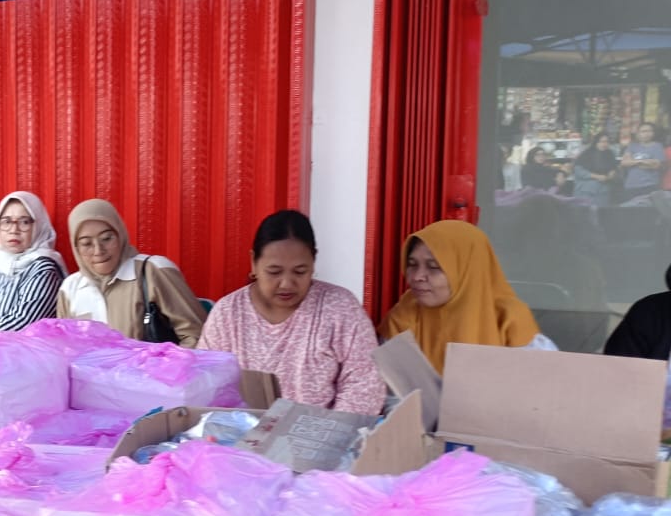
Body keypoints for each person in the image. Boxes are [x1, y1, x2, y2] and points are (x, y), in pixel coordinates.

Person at [198, 210, 385, 414]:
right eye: (274, 272)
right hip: (241, 430)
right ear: (254, 262)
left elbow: (364, 387)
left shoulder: (341, 308)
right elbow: (205, 384)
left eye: (299, 271)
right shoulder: (227, 314)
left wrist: (325, 430)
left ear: (313, 262)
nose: (286, 283)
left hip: (324, 431)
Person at [380, 219, 553, 373]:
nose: (417, 276)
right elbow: (389, 385)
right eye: (412, 264)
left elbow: (545, 383)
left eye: (433, 267)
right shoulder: (404, 314)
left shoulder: (508, 317)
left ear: (467, 271)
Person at [55, 198, 207, 346]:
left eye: (106, 238)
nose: (98, 250)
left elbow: (196, 336)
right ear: (76, 248)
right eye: (86, 243)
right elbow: (65, 348)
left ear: (120, 235)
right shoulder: (70, 289)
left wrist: (169, 363)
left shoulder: (152, 271)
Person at [0, 191, 64, 330]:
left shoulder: (43, 269)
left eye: (24, 222)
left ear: (38, 226)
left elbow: (22, 322)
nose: (14, 230)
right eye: (6, 221)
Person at [571, 134, 618, 206]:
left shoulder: (610, 154)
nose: (604, 144)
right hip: (586, 191)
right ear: (596, 142)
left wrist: (612, 173)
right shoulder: (587, 154)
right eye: (601, 142)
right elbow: (578, 171)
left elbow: (613, 168)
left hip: (603, 192)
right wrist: (596, 176)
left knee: (601, 212)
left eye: (606, 142)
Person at [621, 123, 664, 201]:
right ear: (638, 133)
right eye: (643, 131)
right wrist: (642, 161)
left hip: (650, 185)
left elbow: (656, 165)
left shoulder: (657, 146)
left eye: (650, 131)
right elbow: (624, 162)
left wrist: (633, 162)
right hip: (631, 185)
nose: (647, 134)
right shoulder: (632, 146)